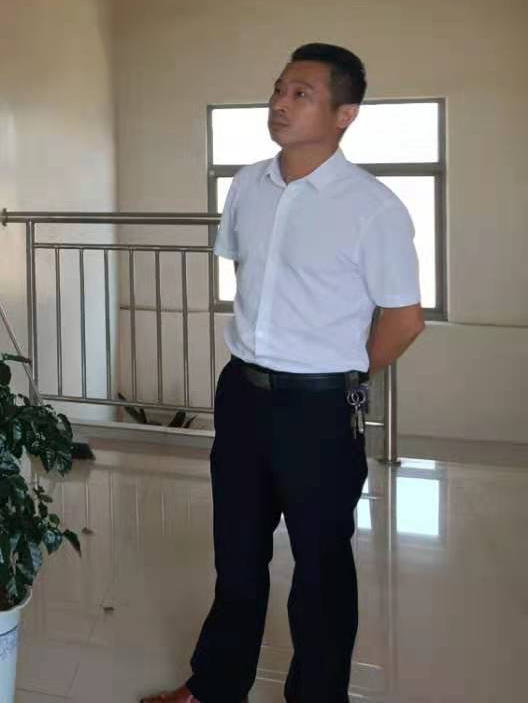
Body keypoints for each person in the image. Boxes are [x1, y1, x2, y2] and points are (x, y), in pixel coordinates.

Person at [142, 43, 426, 703]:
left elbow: (405, 320)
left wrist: (343, 372)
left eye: (301, 93)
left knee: (320, 571)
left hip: (320, 410)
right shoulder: (247, 185)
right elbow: (251, 274)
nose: (280, 103)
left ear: (345, 113)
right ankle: (214, 687)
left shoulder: (373, 208)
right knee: (237, 558)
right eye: (278, 88)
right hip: (243, 394)